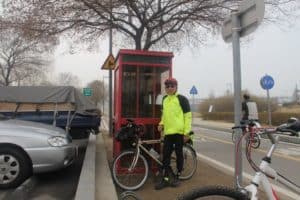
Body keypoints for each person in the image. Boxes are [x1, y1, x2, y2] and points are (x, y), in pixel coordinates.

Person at [155, 77, 192, 190]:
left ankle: (177, 176)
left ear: (176, 87)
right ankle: (165, 178)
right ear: (165, 88)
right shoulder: (165, 99)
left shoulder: (182, 99)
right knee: (165, 156)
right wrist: (161, 124)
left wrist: (187, 133)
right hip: (168, 133)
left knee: (178, 154)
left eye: (172, 86)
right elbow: (164, 116)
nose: (170, 88)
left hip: (179, 133)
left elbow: (188, 116)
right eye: (167, 86)